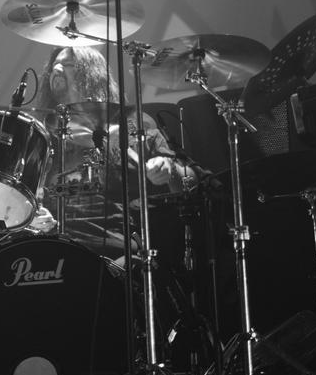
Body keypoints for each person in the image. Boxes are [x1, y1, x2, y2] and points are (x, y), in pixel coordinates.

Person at [32, 46, 197, 260]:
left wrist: (169, 168)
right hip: (54, 248)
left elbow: (191, 183)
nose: (57, 69)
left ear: (91, 73)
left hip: (117, 251)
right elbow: (24, 197)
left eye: (68, 64)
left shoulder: (134, 127)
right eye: (55, 65)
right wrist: (33, 217)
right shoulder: (44, 136)